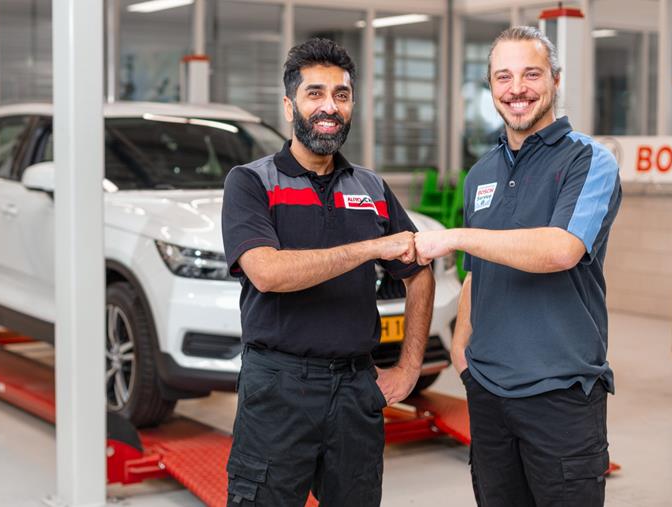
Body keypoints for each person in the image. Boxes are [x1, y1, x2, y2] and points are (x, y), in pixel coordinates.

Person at [221, 38, 435, 506]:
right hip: (278, 389)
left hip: (355, 390)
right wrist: (371, 247)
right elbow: (267, 272)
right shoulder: (251, 182)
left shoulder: (371, 187)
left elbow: (419, 272)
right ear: (289, 106)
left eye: (341, 95)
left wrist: (408, 368)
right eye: (314, 93)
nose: (329, 107)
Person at [414, 26, 622, 506]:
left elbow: (561, 250)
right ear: (491, 87)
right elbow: (476, 273)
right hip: (489, 394)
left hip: (561, 393)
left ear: (555, 79)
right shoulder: (480, 174)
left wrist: (453, 236)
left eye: (531, 74)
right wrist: (463, 352)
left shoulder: (590, 161)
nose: (517, 89)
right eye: (503, 77)